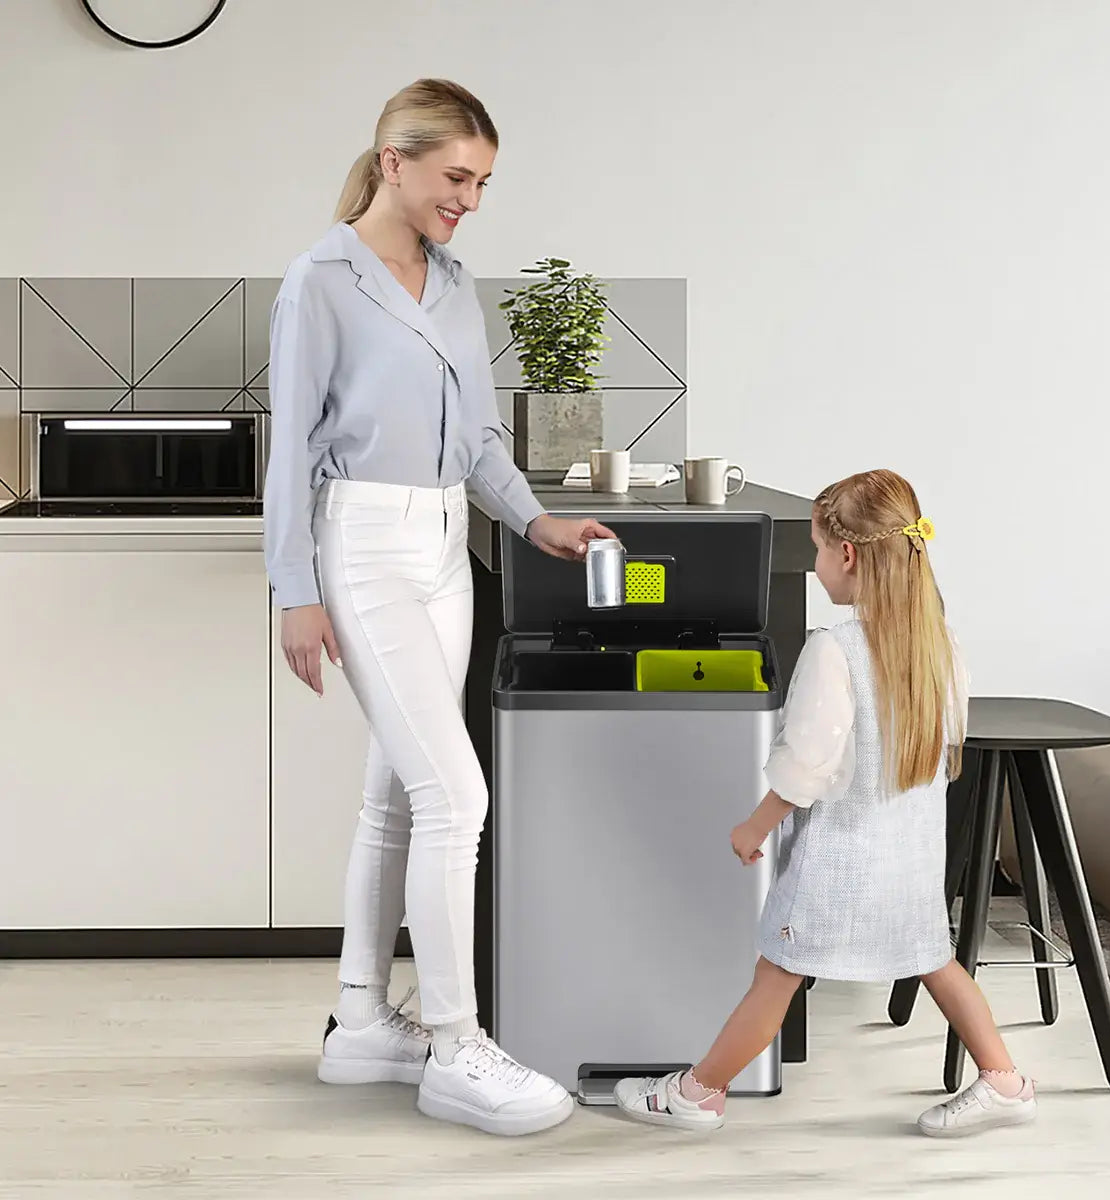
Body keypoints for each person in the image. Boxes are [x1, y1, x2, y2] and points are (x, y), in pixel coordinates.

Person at [262, 78, 616, 1137]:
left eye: (483, 182)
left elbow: (480, 440)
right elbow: (289, 451)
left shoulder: (457, 285)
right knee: (457, 796)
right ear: (394, 162)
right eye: (457, 176)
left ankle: (361, 1020)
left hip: (445, 547)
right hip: (363, 541)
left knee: (399, 795)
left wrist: (536, 521)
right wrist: (295, 591)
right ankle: (458, 1048)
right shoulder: (320, 282)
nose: (470, 198)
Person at [612, 469, 1037, 1137]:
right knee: (934, 959)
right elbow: (946, 741)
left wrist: (755, 826)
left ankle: (697, 1093)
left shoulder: (834, 652)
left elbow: (808, 764)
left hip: (839, 862)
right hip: (911, 858)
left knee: (777, 972)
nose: (813, 565)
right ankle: (1004, 1080)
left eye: (815, 549)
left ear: (847, 554)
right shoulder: (939, 645)